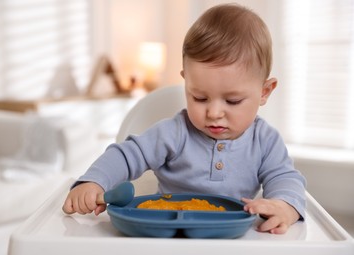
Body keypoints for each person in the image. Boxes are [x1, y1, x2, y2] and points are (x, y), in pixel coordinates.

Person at [63, 4, 306, 234]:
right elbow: (126, 156)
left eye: (232, 101)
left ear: (264, 92)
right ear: (186, 82)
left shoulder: (265, 140)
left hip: (233, 236)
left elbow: (284, 177)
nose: (214, 113)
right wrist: (93, 182)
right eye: (200, 97)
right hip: (170, 232)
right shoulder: (174, 133)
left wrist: (285, 205)